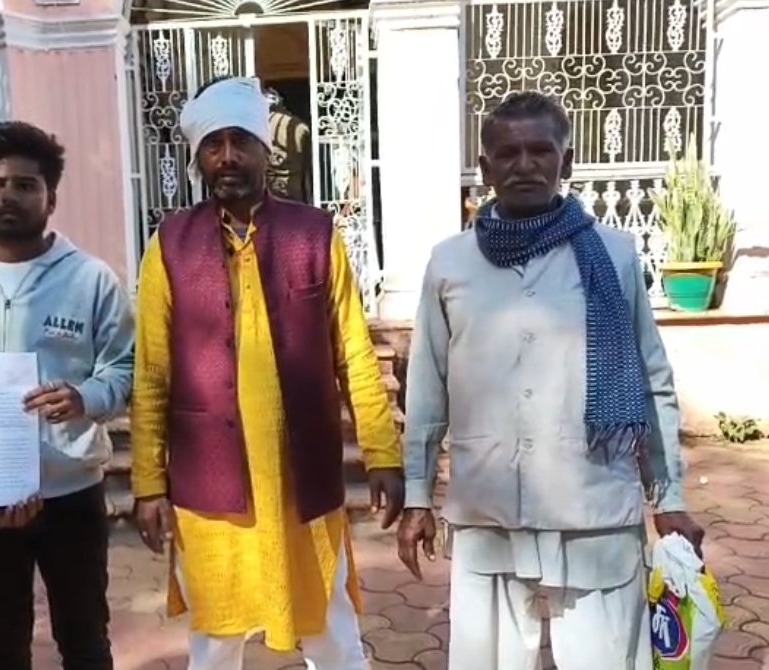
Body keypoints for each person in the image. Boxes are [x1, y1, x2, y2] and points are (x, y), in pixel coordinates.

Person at [396, 91, 704, 670]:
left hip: (592, 502)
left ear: (567, 160)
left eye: (540, 150)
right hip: (487, 504)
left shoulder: (614, 255)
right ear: (485, 167)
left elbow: (651, 381)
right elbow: (427, 389)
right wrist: (417, 496)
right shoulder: (450, 263)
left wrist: (669, 497)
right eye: (507, 153)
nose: (525, 165)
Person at [131, 76, 404, 670]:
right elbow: (151, 372)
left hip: (301, 476)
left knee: (331, 629)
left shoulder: (314, 234)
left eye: (241, 142)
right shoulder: (170, 245)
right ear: (199, 158)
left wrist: (382, 454)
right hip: (210, 481)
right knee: (216, 639)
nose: (228, 156)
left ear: (264, 150)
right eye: (214, 145)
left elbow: (354, 353)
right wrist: (148, 483)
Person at [0, 120, 134, 670]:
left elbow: (125, 366)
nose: (8, 195)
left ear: (51, 198)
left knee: (85, 640)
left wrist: (85, 397)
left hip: (71, 493)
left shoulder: (91, 279)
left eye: (25, 184)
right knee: (2, 646)